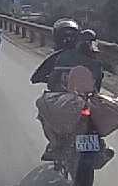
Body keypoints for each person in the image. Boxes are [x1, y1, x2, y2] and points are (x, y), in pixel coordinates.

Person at [30, 19, 105, 160]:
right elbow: (98, 83)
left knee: (43, 110)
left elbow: (38, 77)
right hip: (87, 100)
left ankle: (55, 144)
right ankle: (100, 146)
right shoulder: (95, 63)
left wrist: (48, 79)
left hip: (64, 101)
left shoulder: (58, 57)